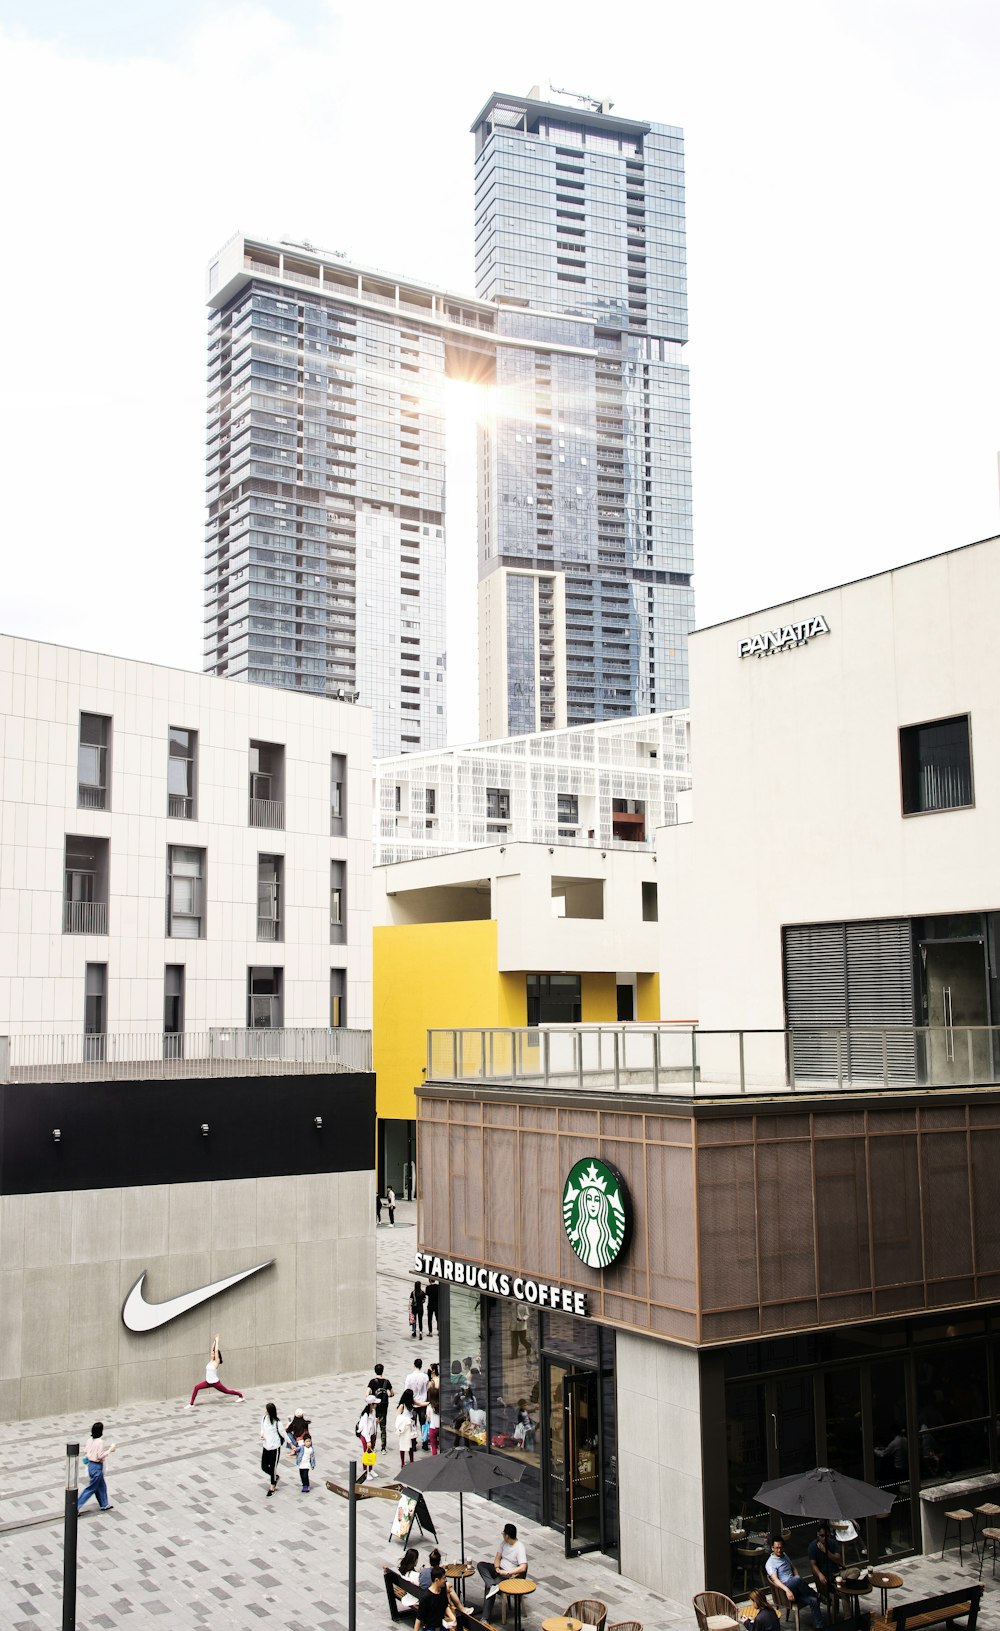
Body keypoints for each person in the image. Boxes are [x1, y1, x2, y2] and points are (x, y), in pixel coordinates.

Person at [765, 1538, 825, 1630]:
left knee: (813, 1600)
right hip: (784, 1590)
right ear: (772, 1548)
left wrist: (799, 1579)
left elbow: (793, 1568)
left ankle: (819, 1626)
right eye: (777, 1548)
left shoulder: (784, 1555)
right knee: (797, 1580)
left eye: (781, 1548)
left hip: (795, 1588)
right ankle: (817, 1594)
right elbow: (775, 1580)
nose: (779, 1550)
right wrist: (787, 1590)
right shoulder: (770, 1563)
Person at [477, 1523, 527, 1621]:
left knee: (489, 1589)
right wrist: (496, 1568)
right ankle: (492, 1585)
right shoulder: (504, 1543)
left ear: (507, 1536)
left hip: (508, 1575)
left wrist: (508, 1573)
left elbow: (523, 1567)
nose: (503, 1535)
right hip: (499, 1569)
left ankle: (484, 1618)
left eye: (503, 1533)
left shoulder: (519, 1547)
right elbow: (497, 1558)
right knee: (481, 1565)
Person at [185, 1334, 243, 1407]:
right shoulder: (211, 1361)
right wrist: (214, 1341)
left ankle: (241, 1396)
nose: (212, 1355)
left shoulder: (216, 1362)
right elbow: (212, 1349)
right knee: (196, 1387)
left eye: (213, 1354)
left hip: (215, 1383)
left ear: (216, 1356)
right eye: (211, 1354)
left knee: (226, 1391)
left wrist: (217, 1341)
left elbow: (215, 1351)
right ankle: (191, 1404)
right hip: (208, 1382)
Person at [77, 1421, 116, 1512]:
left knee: (101, 1486)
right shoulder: (100, 1442)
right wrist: (110, 1450)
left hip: (90, 1465)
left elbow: (85, 1451)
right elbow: (100, 1456)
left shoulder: (89, 1440)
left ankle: (104, 1504)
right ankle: (76, 1506)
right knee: (91, 1488)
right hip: (97, 1466)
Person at [807, 1523, 841, 1602]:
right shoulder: (813, 1546)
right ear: (818, 1535)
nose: (824, 1538)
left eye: (827, 1536)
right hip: (824, 1576)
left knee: (855, 1571)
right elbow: (813, 1564)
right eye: (822, 1536)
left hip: (836, 1574)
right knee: (834, 1596)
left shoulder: (832, 1543)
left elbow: (838, 1559)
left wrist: (826, 1551)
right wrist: (819, 1574)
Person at [259, 1401, 287, 1497]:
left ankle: (272, 1486)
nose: (265, 1411)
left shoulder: (277, 1422)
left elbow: (283, 1433)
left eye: (266, 1409)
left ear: (270, 1411)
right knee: (264, 1466)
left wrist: (291, 1444)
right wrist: (262, 1434)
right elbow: (262, 1428)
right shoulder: (264, 1418)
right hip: (266, 1446)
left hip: (275, 1447)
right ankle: (275, 1477)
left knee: (273, 1467)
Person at [368, 1362, 394, 1451]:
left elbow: (367, 1393)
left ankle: (373, 1447)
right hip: (384, 1406)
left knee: (374, 1427)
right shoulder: (387, 1382)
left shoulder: (372, 1382)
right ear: (382, 1371)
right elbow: (392, 1393)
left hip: (375, 1407)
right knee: (383, 1427)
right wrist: (388, 1395)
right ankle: (383, 1448)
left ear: (375, 1371)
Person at [406, 1356, 430, 1444]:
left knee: (413, 1423)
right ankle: (424, 1441)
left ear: (414, 1365)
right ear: (421, 1365)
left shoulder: (409, 1377)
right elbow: (427, 1389)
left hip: (413, 1403)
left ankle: (413, 1442)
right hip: (423, 1403)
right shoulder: (425, 1377)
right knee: (423, 1423)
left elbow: (407, 1390)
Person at [356, 1394, 379, 1482]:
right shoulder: (365, 1415)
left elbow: (372, 1423)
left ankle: (371, 1469)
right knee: (367, 1453)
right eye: (375, 1403)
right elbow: (365, 1429)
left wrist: (376, 1421)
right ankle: (366, 1471)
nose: (376, 1405)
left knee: (371, 1452)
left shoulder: (373, 1411)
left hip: (372, 1434)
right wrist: (368, 1440)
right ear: (371, 1404)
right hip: (366, 1436)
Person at [396, 1386, 420, 1467]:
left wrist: (428, 1403)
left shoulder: (411, 1404)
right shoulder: (402, 1406)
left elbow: (419, 1403)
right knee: (403, 1445)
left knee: (411, 1445)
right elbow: (398, 1417)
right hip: (404, 1427)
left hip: (411, 1427)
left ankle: (411, 1460)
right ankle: (403, 1462)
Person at [426, 1376, 440, 1455]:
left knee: (433, 1447)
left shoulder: (430, 1406)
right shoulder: (441, 1405)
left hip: (433, 1427)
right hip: (440, 1427)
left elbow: (428, 1418)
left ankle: (435, 1460)